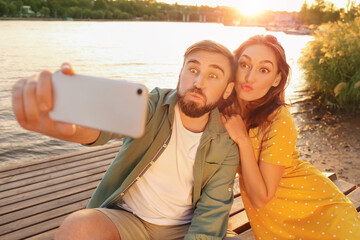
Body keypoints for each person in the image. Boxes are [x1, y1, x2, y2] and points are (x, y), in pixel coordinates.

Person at [12, 40, 240, 240]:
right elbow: (103, 127)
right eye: (193, 69)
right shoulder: (151, 105)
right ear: (181, 74)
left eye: (213, 75)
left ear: (228, 89)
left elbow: (211, 211)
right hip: (130, 220)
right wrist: (70, 128)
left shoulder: (225, 142)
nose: (198, 82)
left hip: (186, 228)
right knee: (78, 227)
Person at [221, 34, 360, 239]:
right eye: (244, 64)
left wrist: (242, 139)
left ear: (277, 79)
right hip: (276, 220)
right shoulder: (224, 107)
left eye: (264, 70)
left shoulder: (279, 119)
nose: (249, 77)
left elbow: (261, 198)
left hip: (318, 212)